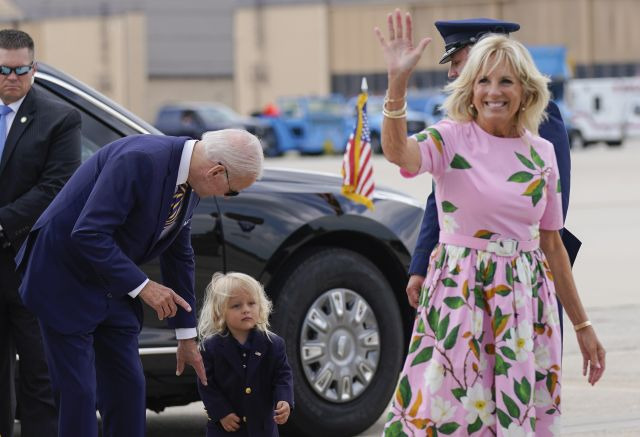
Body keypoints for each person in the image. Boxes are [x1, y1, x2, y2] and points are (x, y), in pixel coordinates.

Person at [375, 11, 605, 435]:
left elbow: (552, 243)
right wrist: (397, 83)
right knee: (452, 414)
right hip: (461, 294)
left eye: (505, 81)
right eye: (482, 80)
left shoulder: (541, 153)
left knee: (514, 419)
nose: (493, 91)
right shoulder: (450, 137)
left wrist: (582, 326)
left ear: (525, 90)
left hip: (524, 301)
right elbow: (398, 153)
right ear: (469, 87)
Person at [15, 128, 264, 437]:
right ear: (216, 171)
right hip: (65, 278)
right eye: (232, 191)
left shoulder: (191, 180)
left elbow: (179, 254)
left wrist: (186, 335)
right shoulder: (141, 159)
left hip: (114, 281)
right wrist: (144, 286)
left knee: (128, 388)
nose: (225, 198)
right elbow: (89, 233)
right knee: (78, 393)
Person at [404, 18, 581, 325]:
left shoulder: (541, 115)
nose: (452, 72)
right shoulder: (460, 123)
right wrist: (420, 265)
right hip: (467, 279)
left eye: (458, 61)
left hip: (523, 280)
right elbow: (440, 198)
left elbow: (549, 210)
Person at [0, 29, 81, 437]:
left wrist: (2, 223)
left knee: (38, 375)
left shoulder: (60, 118)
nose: (11, 77)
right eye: (3, 69)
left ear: (33, 68)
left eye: (20, 69)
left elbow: (55, 188)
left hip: (30, 264)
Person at [197, 272, 293, 436]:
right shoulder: (210, 347)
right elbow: (206, 384)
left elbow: (283, 376)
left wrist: (284, 400)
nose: (246, 310)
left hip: (263, 430)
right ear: (220, 312)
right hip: (226, 430)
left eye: (251, 303)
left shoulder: (273, 344)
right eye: (236, 306)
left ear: (261, 306)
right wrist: (221, 412)